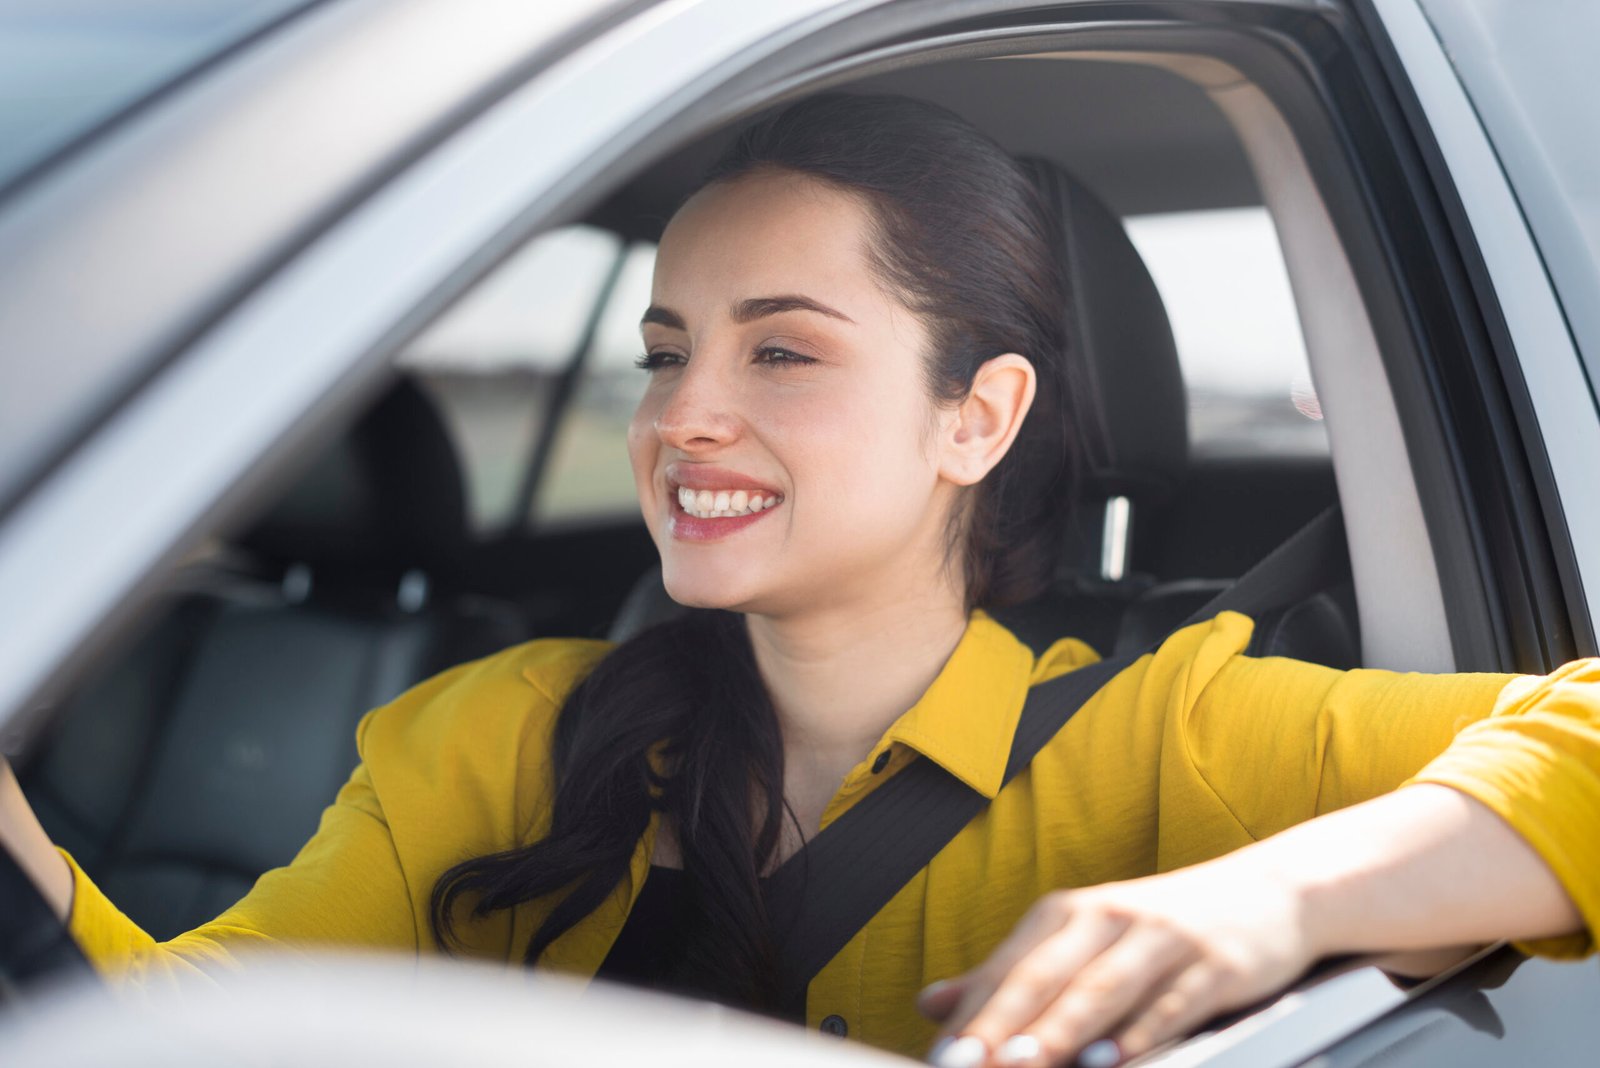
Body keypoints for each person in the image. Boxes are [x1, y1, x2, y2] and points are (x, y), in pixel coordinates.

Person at [1, 92, 1597, 1068]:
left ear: (976, 419)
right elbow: (162, 1043)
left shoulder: (1171, 738)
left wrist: (1274, 897)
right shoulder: (488, 741)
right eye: (666, 351)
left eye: (783, 350)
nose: (686, 411)